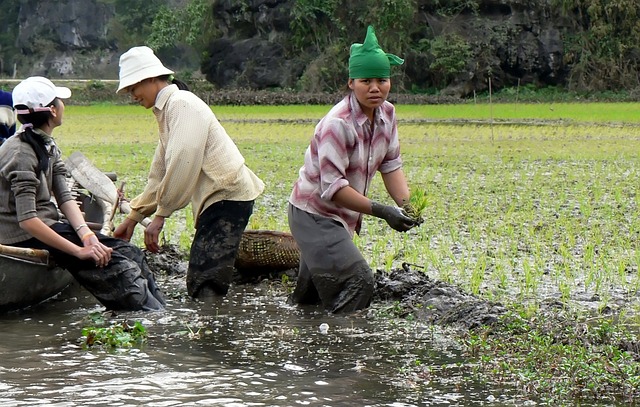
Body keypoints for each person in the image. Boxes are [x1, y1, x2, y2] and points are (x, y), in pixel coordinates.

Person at [0, 76, 165, 311]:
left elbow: (64, 196)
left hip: (45, 226)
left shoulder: (45, 143)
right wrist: (79, 251)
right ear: (53, 111)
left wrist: (87, 234)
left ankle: (161, 311)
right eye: (60, 101)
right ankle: (152, 319)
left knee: (130, 253)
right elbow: (27, 221)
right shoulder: (21, 152)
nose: (63, 106)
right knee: (120, 270)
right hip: (20, 235)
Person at [113, 46, 265, 300]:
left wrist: (161, 215)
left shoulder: (182, 104)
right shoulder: (168, 111)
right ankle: (211, 324)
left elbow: (183, 160)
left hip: (227, 196)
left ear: (150, 79)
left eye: (133, 88)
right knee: (203, 276)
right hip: (220, 200)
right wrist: (132, 218)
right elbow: (159, 174)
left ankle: (211, 331)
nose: (132, 96)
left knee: (205, 280)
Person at [288, 26, 419, 314]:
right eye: (366, 81)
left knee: (309, 300)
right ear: (351, 83)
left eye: (382, 80)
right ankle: (341, 347)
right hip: (315, 215)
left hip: (340, 219)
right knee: (358, 281)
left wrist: (407, 206)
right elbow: (334, 188)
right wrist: (383, 211)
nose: (375, 88)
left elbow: (391, 165)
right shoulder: (338, 124)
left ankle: (303, 339)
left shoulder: (388, 114)